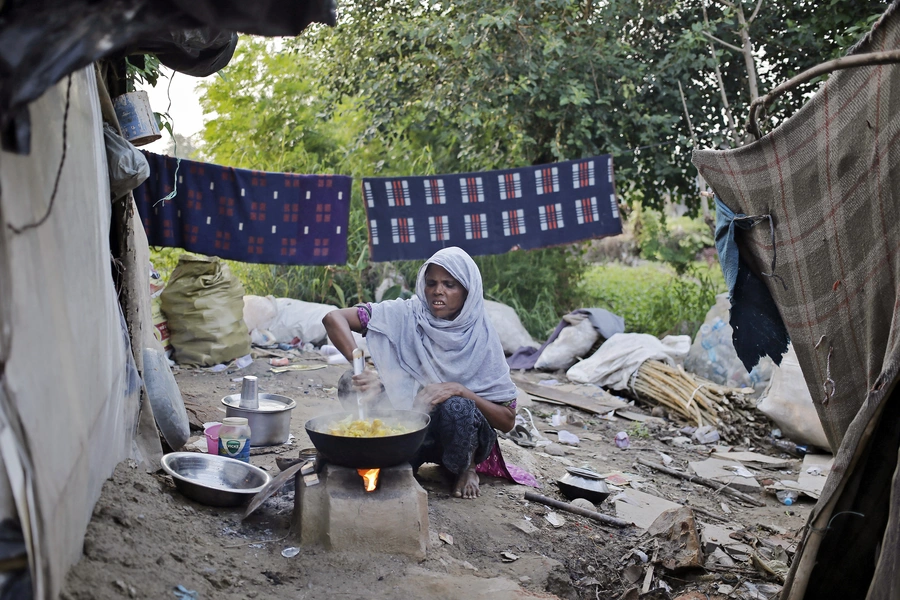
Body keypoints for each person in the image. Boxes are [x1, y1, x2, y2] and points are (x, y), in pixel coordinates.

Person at [322, 246, 519, 499]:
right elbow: (333, 318)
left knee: (459, 406)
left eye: (450, 284)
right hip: (407, 427)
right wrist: (363, 368)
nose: (438, 291)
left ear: (468, 292)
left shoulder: (481, 337)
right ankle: (395, 457)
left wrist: (459, 389)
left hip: (455, 436)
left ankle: (465, 468)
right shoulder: (407, 314)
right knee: (351, 382)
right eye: (432, 283)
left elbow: (507, 420)